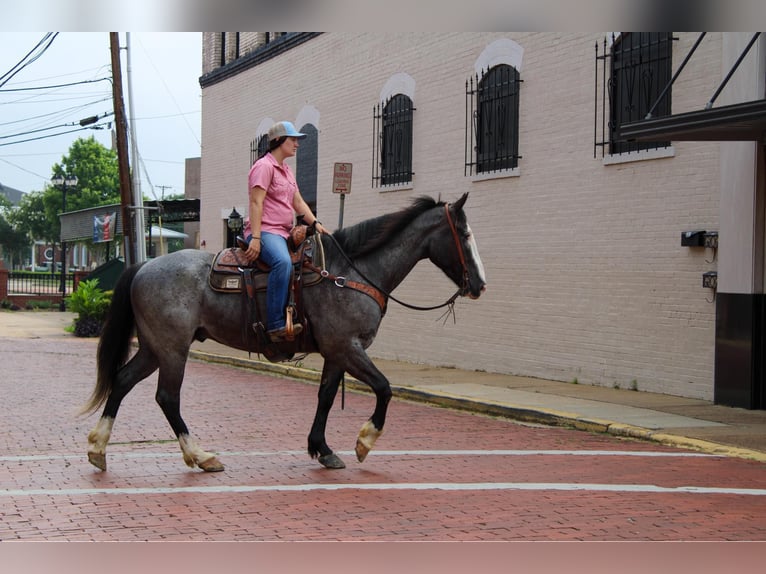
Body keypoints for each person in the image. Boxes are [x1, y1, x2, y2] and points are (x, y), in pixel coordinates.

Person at [242, 120, 328, 342]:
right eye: (293, 140)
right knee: (282, 262)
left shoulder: (287, 171)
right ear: (279, 141)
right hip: (266, 231)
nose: (297, 144)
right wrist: (257, 238)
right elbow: (256, 203)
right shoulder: (263, 167)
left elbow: (298, 203)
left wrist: (316, 223)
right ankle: (276, 324)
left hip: (283, 233)